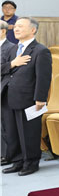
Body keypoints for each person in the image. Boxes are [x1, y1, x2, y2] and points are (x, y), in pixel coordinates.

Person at [1, 17, 52, 176]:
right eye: (15, 26)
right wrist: (13, 64)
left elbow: (43, 77)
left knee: (28, 132)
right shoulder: (12, 49)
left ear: (32, 30)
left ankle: (30, 163)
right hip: (8, 96)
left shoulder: (40, 50)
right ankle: (17, 161)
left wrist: (41, 99)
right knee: (12, 132)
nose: (16, 29)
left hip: (28, 98)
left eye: (20, 26)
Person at [0, 20, 15, 165]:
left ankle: (6, 155)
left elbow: (10, 69)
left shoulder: (11, 48)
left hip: (3, 89)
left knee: (5, 124)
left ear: (3, 31)